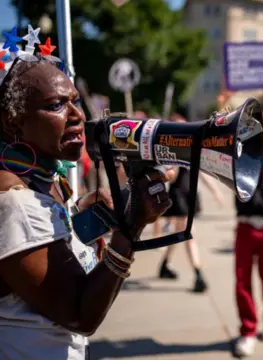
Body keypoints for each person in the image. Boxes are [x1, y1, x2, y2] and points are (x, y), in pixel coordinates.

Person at [0, 45, 170, 358]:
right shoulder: (15, 204)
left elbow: (55, 257)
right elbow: (80, 314)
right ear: (13, 122)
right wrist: (130, 230)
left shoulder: (43, 183)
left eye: (75, 100)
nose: (78, 115)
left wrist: (81, 219)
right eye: (56, 105)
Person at [233, 100, 263, 356]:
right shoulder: (240, 147)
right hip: (246, 222)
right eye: (255, 119)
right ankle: (248, 330)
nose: (261, 124)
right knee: (242, 281)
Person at [157, 112, 224, 293]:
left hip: (191, 196)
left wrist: (215, 191)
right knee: (188, 233)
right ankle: (198, 274)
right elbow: (169, 177)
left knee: (180, 233)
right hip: (179, 197)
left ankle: (164, 265)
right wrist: (175, 160)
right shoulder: (169, 150)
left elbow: (201, 172)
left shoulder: (193, 148)